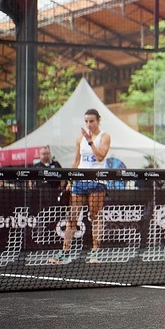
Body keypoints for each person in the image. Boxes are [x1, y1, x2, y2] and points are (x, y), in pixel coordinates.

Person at [49, 109, 111, 265]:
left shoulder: (104, 136)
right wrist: (70, 181)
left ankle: (95, 253)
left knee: (95, 217)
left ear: (98, 120)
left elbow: (100, 156)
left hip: (97, 181)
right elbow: (76, 161)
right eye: (86, 121)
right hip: (80, 181)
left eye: (92, 121)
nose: (89, 124)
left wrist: (90, 141)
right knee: (72, 218)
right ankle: (65, 253)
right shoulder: (80, 139)